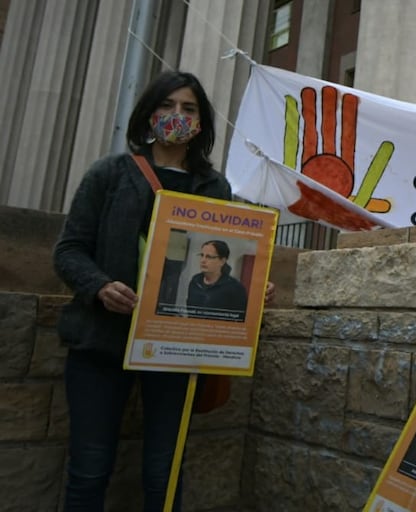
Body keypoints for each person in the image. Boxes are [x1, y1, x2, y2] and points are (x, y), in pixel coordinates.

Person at [53, 71, 274, 511]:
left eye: (189, 109)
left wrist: (249, 288)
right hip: (101, 344)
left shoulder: (216, 188)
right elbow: (69, 250)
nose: (178, 115)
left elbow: (217, 254)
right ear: (149, 114)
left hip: (176, 350)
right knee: (90, 469)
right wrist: (99, 287)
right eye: (168, 105)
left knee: (165, 472)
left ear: (202, 121)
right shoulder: (109, 173)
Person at [186, 239, 248, 321]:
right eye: (202, 255)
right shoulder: (195, 281)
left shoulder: (235, 288)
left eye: (209, 257)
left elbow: (241, 319)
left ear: (222, 261)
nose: (203, 260)